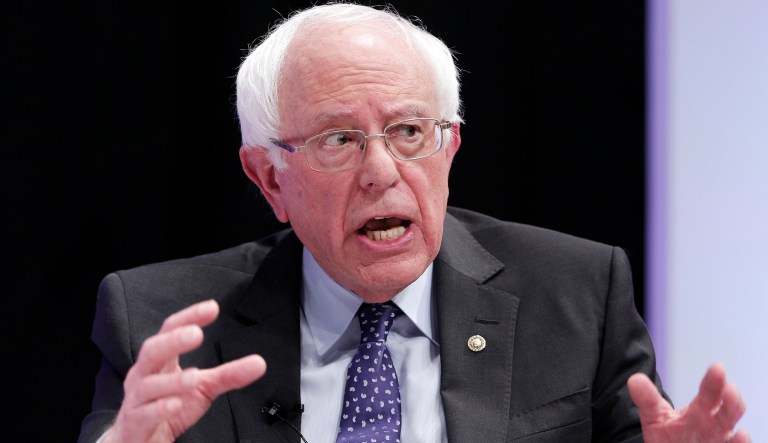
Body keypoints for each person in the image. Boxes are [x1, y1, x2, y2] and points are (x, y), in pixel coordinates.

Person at [77, 2, 750, 442]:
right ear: (268, 177)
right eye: (338, 139)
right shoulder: (161, 322)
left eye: (407, 131)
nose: (382, 170)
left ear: (449, 147)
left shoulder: (576, 292)